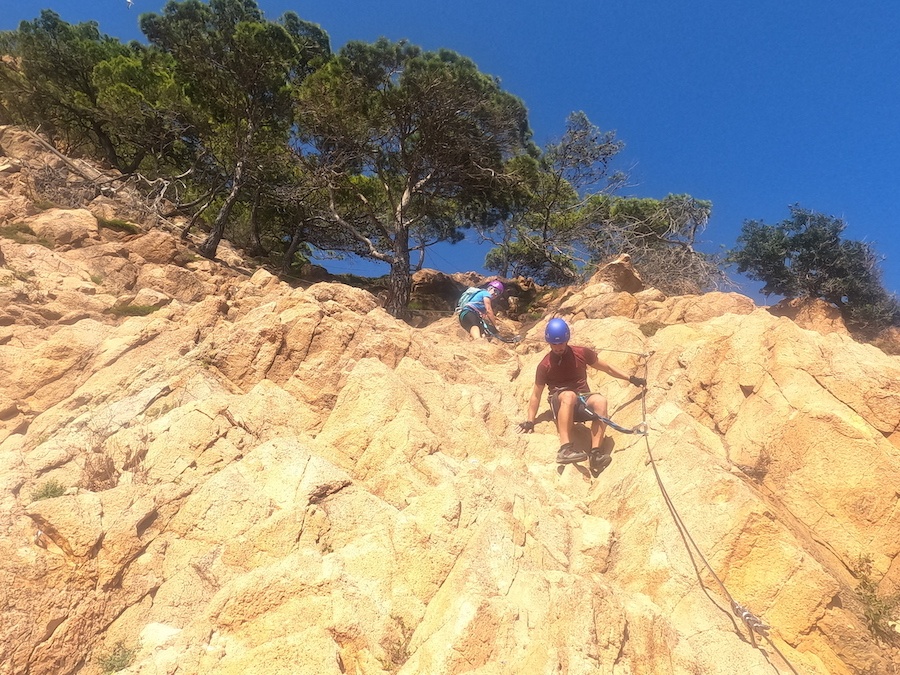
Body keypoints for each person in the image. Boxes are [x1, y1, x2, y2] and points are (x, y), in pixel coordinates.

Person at [518, 317, 646, 466]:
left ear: (567, 339)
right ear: (549, 342)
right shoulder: (544, 365)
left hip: (582, 400)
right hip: (560, 401)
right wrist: (530, 421)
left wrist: (630, 378)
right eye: (554, 344)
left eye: (561, 343)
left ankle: (595, 454)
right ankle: (565, 449)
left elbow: (607, 368)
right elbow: (536, 394)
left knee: (600, 400)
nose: (558, 347)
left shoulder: (581, 353)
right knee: (569, 395)